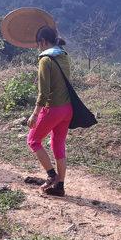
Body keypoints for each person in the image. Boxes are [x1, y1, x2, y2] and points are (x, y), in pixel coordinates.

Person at [27, 26, 73, 196]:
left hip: (53, 109)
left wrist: (35, 114)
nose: (38, 48)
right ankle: (60, 186)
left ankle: (51, 176)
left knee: (33, 140)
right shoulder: (63, 55)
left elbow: (44, 92)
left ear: (43, 42)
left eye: (38, 44)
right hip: (68, 109)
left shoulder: (45, 60)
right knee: (57, 144)